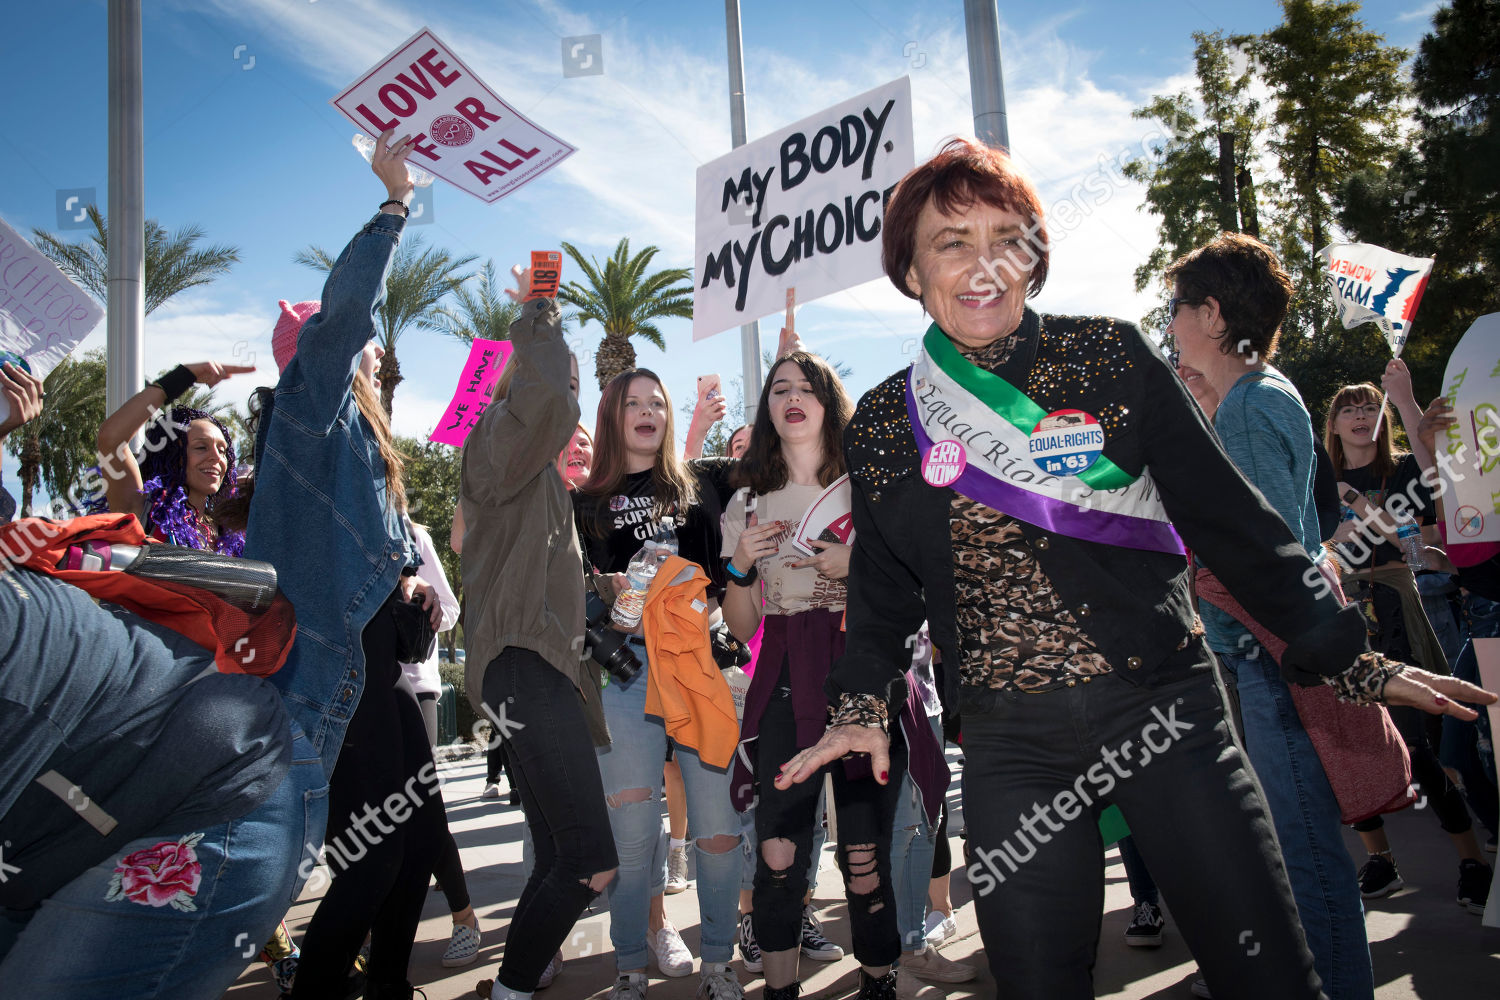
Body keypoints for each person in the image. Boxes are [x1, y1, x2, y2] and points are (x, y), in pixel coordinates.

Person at [773, 137, 1495, 1000]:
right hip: (1009, 746)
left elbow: (1236, 528)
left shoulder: (1112, 358)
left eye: (1007, 237)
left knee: (1266, 973)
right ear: (911, 269)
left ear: (1034, 256)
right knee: (1038, 980)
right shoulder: (890, 420)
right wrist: (859, 706)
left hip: (1166, 712)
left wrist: (1352, 657)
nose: (983, 264)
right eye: (952, 241)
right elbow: (883, 592)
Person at [0, 129, 443, 1000]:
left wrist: (407, 587)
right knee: (376, 855)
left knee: (402, 849)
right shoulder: (303, 421)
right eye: (199, 443)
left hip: (296, 696)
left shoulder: (312, 466)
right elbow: (332, 335)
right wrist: (394, 207)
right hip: (253, 714)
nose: (378, 353)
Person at [1165, 233, 1372, 998]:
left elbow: (1267, 561)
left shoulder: (1252, 404)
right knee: (1299, 856)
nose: (1173, 322)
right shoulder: (1254, 398)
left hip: (1272, 666)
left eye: (1179, 307)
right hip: (1273, 664)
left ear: (1213, 315)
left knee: (1308, 861)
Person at [721, 351, 950, 999]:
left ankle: (878, 983)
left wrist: (858, 567)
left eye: (808, 387)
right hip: (782, 677)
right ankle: (780, 991)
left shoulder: (870, 485)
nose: (793, 398)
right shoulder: (746, 501)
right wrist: (740, 564)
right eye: (779, 389)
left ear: (830, 400)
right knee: (779, 856)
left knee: (864, 856)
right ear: (767, 410)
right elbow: (739, 626)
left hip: (862, 674)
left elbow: (918, 586)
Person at [460, 270, 618, 1000]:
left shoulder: (535, 484)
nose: (573, 396)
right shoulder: (502, 441)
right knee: (589, 863)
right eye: (565, 375)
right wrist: (539, 304)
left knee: (560, 854)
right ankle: (514, 988)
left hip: (532, 670)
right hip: (522, 671)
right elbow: (550, 392)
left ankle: (512, 987)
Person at [573, 369, 744, 1000]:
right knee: (635, 832)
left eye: (657, 403)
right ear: (612, 416)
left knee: (718, 827)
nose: (648, 413)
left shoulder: (705, 479)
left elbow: (780, 461)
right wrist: (604, 594)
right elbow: (572, 602)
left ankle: (720, 963)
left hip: (702, 665)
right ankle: (629, 968)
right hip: (625, 674)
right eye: (633, 404)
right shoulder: (583, 503)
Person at [1323, 381, 1493, 911]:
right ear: (1332, 425)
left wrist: (1363, 512)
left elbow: (1418, 546)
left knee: (1423, 745)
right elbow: (1318, 548)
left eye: (1370, 408)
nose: (1359, 416)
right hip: (1344, 615)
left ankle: (1471, 860)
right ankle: (1380, 859)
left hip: (1400, 612)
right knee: (1347, 740)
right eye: (1348, 409)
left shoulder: (1399, 473)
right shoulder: (1317, 481)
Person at [399, 512, 484, 969]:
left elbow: (449, 610)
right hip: (354, 689)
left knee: (419, 808)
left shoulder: (413, 534)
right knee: (367, 819)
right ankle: (376, 928)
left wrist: (420, 598)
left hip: (415, 686)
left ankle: (464, 916)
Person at [95, 359, 253, 553]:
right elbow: (111, 439)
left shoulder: (232, 531)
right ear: (172, 456)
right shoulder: (142, 510)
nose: (217, 458)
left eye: (222, 450)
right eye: (201, 447)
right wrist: (184, 376)